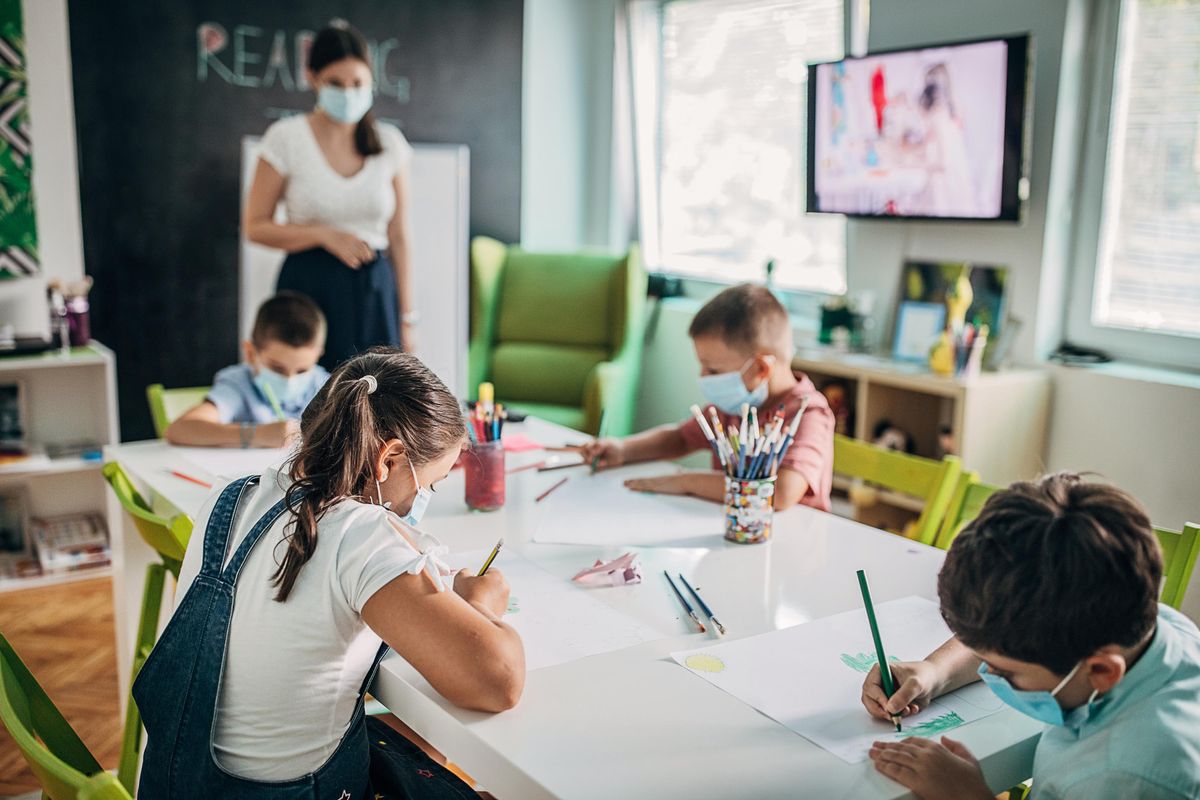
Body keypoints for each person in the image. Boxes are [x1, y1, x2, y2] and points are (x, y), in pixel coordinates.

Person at [135, 350, 525, 797]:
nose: (421, 501)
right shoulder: (360, 536)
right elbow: (499, 681)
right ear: (389, 459)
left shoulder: (233, 498)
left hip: (180, 783)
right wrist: (480, 604)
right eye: (428, 485)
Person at [861, 473, 1200, 800]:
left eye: (1005, 672)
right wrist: (933, 671)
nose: (987, 674)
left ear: (1101, 672)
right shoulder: (1143, 623)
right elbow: (1010, 639)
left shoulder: (1125, 779)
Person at [244, 21, 418, 370]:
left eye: (357, 83)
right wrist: (324, 235)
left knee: (376, 397)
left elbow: (399, 237)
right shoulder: (285, 138)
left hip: (373, 289)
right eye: (336, 83)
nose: (348, 93)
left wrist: (408, 317)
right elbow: (255, 226)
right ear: (312, 78)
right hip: (309, 287)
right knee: (315, 400)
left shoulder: (389, 144)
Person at [580, 284, 835, 511]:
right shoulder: (735, 407)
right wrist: (623, 449)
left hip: (792, 545)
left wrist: (687, 482)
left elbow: (781, 494)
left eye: (713, 370)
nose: (703, 377)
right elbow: (680, 438)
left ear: (760, 369)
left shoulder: (809, 413)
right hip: (731, 531)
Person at [165, 291, 328, 448]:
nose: (290, 380)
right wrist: (257, 434)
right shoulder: (239, 384)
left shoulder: (327, 386)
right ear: (250, 353)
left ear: (318, 355)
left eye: (302, 371)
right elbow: (179, 430)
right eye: (277, 368)